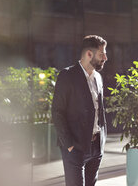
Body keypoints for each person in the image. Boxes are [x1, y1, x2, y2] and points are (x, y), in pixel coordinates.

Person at [52, 35, 108, 186]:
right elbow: (57, 112)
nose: (105, 57)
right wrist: (69, 144)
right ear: (89, 54)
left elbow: (99, 110)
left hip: (97, 147)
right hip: (75, 147)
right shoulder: (67, 75)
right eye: (102, 53)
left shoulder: (98, 78)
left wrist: (103, 138)